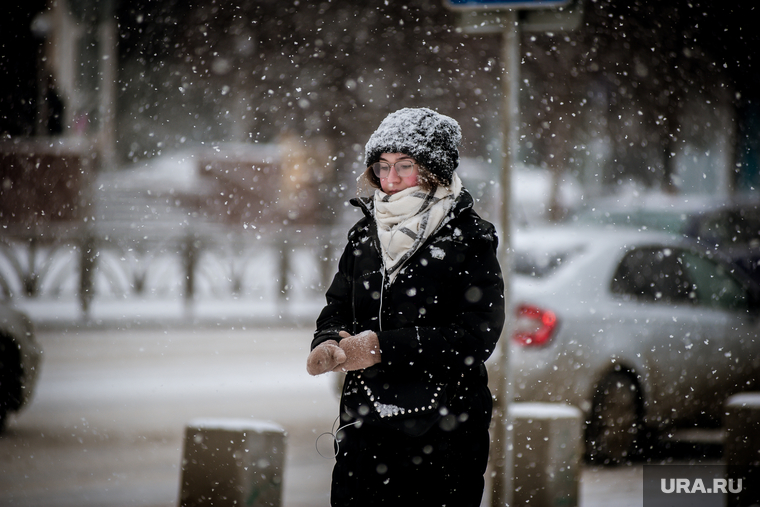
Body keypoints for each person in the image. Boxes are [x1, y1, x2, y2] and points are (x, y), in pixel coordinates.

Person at [306, 107, 505, 507]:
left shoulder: (468, 238)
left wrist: (381, 347)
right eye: (382, 166)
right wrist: (327, 340)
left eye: (405, 166)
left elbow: (475, 337)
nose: (390, 179)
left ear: (434, 170)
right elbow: (338, 305)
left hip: (444, 430)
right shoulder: (365, 234)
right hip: (365, 425)